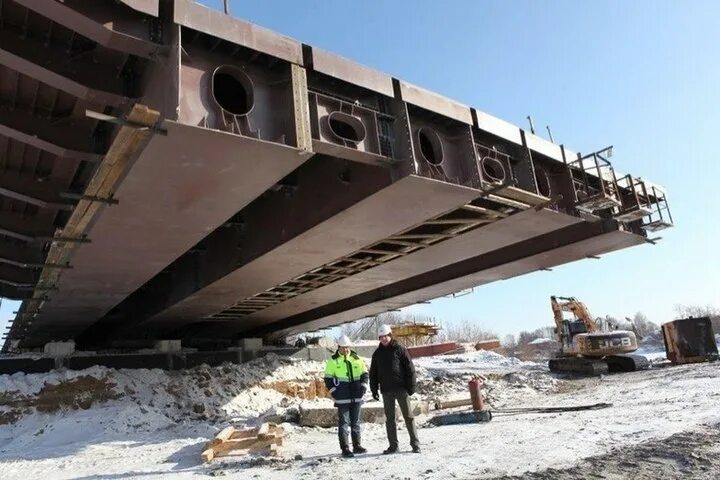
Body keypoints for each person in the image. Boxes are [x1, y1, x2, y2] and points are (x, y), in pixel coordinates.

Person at [370, 324, 420, 454]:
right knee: (390, 419)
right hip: (386, 391)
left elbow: (410, 369)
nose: (384, 339)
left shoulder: (400, 350)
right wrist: (374, 389)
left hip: (401, 389)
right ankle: (393, 446)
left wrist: (411, 387)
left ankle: (415, 444)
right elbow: (373, 374)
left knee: (408, 416)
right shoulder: (377, 354)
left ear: (390, 336)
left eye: (386, 336)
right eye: (381, 337)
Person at [323, 335, 369, 458]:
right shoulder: (333, 361)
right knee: (343, 423)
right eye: (343, 348)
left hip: (357, 396)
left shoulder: (356, 359)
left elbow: (364, 373)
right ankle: (345, 448)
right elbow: (328, 379)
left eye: (347, 347)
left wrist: (363, 387)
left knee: (356, 422)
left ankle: (357, 445)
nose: (345, 350)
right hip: (342, 397)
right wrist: (334, 392)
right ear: (339, 347)